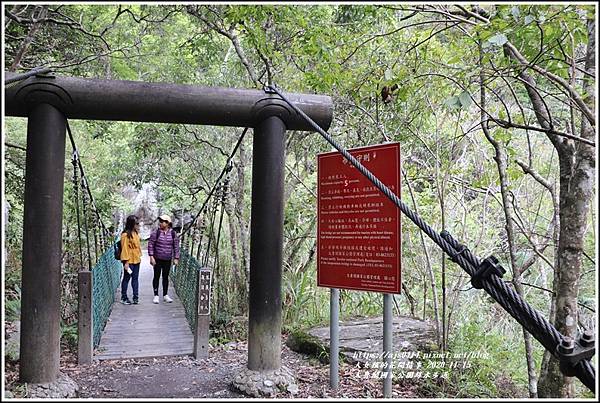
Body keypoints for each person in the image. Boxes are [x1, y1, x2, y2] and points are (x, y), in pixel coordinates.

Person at [148, 214, 180, 304]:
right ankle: (156, 295)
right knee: (156, 276)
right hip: (157, 258)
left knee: (165, 277)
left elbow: (176, 246)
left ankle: (165, 295)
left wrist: (176, 258)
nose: (161, 223)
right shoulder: (156, 233)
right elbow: (150, 245)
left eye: (163, 222)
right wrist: (151, 257)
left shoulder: (173, 234)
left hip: (167, 259)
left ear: (168, 223)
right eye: (160, 221)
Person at [120, 215, 142, 305]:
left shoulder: (136, 233)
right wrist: (126, 262)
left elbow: (138, 247)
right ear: (131, 224)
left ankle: (135, 297)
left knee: (135, 279)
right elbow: (124, 249)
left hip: (136, 260)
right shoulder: (125, 235)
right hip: (129, 261)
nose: (138, 225)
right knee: (126, 278)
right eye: (136, 223)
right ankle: (124, 297)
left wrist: (140, 256)